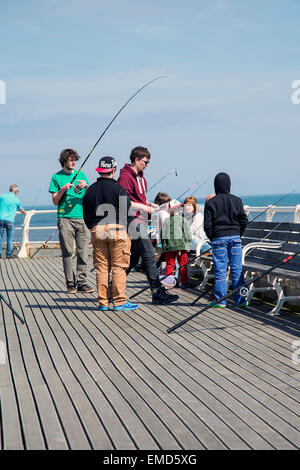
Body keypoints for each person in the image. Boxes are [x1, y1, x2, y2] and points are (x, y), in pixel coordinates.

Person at [118, 146, 178, 305]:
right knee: (150, 256)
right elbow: (122, 201)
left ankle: (113, 288)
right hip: (132, 221)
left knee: (132, 259)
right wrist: (144, 208)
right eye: (145, 161)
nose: (147, 164)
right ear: (136, 160)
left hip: (141, 220)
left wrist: (151, 205)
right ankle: (157, 293)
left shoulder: (141, 178)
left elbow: (139, 199)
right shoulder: (125, 177)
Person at [83, 156, 138, 312]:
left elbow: (86, 214)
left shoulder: (91, 190)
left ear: (100, 170)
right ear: (113, 170)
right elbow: (128, 214)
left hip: (97, 229)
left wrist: (92, 227)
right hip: (118, 230)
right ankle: (119, 301)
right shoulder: (119, 189)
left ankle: (103, 302)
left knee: (102, 267)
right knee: (119, 267)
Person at [49, 148, 94, 294]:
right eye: (71, 159)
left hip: (82, 218)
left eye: (75, 159)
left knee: (83, 252)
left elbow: (90, 198)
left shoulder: (81, 175)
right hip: (65, 218)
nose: (74, 162)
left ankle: (82, 282)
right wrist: (62, 190)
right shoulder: (56, 177)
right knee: (67, 252)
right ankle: (70, 283)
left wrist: (86, 186)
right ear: (64, 161)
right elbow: (55, 201)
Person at [204, 172, 248, 307]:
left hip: (218, 239)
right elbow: (243, 221)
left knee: (220, 270)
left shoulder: (211, 202)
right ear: (229, 185)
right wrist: (237, 234)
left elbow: (207, 225)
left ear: (215, 186)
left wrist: (214, 237)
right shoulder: (237, 200)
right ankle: (241, 300)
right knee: (236, 269)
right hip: (235, 239)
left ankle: (220, 300)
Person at [161, 199, 192, 289]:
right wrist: (189, 244)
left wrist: (164, 247)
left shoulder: (166, 221)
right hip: (181, 247)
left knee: (170, 265)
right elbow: (187, 233)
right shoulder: (183, 220)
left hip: (169, 247)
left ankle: (169, 283)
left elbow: (163, 235)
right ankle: (184, 282)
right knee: (183, 265)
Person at [0, 184, 27, 258]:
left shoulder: (2, 197)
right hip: (9, 221)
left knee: (0, 237)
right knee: (10, 239)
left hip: (0, 219)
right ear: (15, 191)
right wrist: (27, 214)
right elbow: (21, 210)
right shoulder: (16, 199)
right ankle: (8, 255)